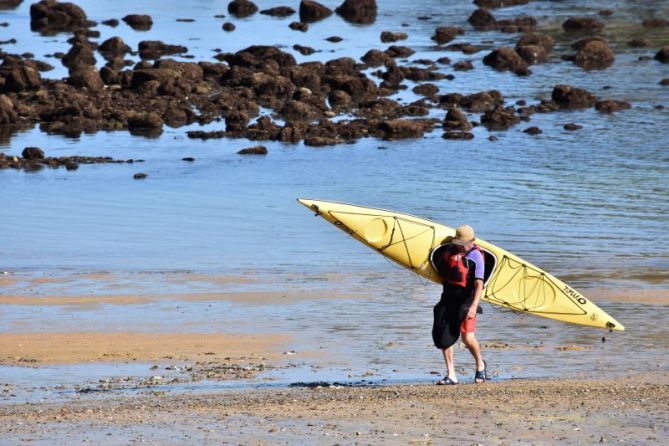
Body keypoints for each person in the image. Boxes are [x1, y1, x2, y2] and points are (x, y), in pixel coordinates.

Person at [432, 224, 487, 385]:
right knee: (444, 336)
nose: (461, 247)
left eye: (464, 244)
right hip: (449, 296)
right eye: (459, 243)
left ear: (472, 241)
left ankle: (480, 364)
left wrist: (474, 306)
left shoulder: (476, 256)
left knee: (468, 338)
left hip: (467, 298)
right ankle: (451, 375)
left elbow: (479, 285)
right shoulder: (448, 251)